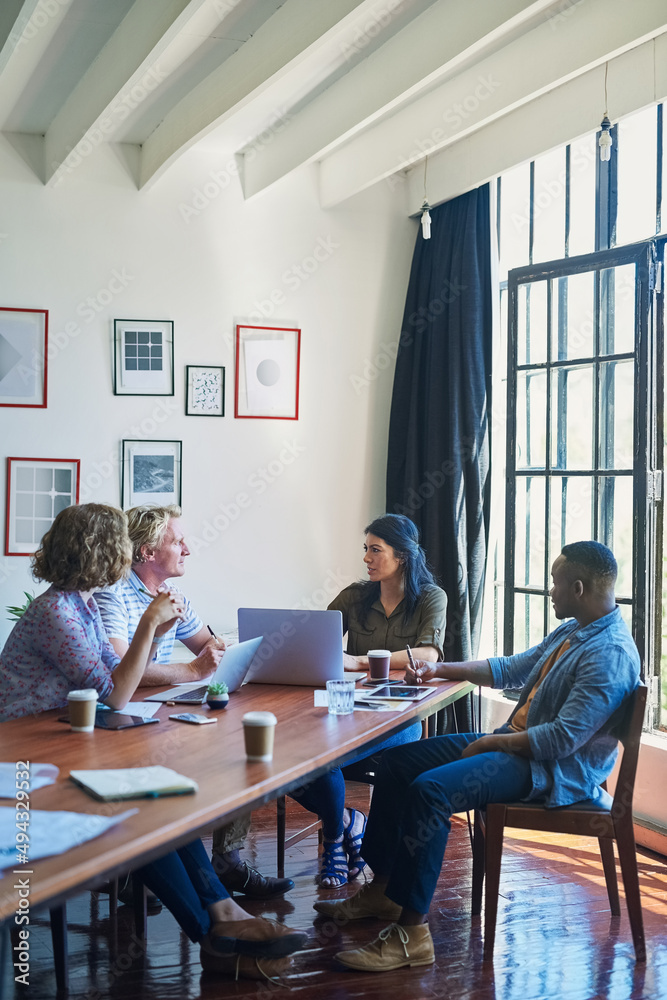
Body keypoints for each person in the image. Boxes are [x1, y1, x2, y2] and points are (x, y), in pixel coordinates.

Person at [0, 504, 306, 980]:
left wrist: (156, 627)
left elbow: (115, 676)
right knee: (143, 819)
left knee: (160, 807)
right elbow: (114, 690)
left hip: (64, 739)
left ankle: (222, 921)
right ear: (101, 550)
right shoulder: (56, 612)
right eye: (119, 545)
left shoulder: (78, 604)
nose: (126, 552)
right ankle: (219, 929)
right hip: (24, 756)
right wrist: (148, 625)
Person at [312, 540, 640, 972]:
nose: (551, 592)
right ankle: (386, 889)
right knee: (396, 764)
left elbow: (562, 740)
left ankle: (412, 936)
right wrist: (438, 669)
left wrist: (491, 743)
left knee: (430, 791)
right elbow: (511, 668)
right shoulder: (575, 628)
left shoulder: (610, 653)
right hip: (517, 743)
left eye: (556, 584)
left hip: (549, 770)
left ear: (578, 588)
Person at [95, 503, 292, 900]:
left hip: (161, 712)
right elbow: (116, 673)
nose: (188, 549)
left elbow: (207, 645)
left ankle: (228, 860)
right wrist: (192, 672)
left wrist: (220, 650)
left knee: (237, 744)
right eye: (179, 541)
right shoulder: (111, 596)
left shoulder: (173, 594)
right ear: (148, 553)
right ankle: (139, 867)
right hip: (118, 719)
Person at [291, 514, 447, 888]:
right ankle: (346, 824)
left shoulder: (430, 597)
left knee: (324, 760)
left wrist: (359, 660)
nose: (367, 559)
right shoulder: (353, 597)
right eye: (366, 550)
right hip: (348, 712)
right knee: (299, 760)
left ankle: (333, 844)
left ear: (403, 556)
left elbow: (428, 655)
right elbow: (315, 639)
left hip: (401, 720)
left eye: (376, 550)